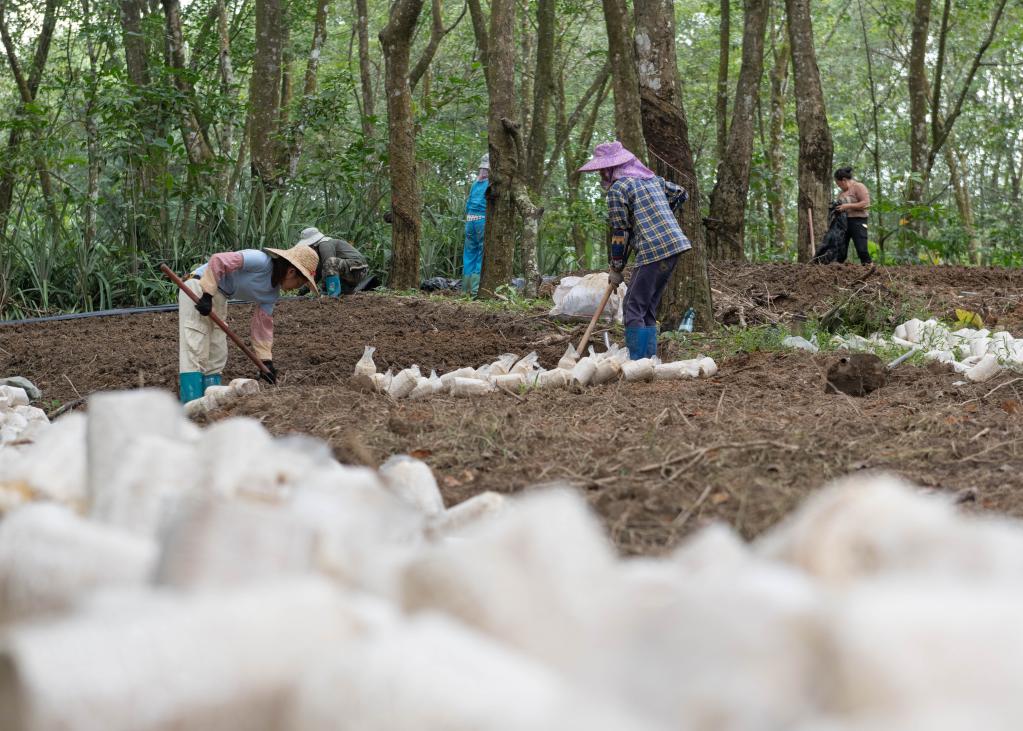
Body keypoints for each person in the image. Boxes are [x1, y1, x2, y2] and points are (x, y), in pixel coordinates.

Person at [578, 140, 690, 360]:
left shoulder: (617, 189)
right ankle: (649, 361)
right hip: (675, 245)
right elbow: (681, 193)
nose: (601, 174)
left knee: (632, 305)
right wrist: (659, 215)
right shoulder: (653, 181)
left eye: (603, 169)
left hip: (653, 249)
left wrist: (616, 267)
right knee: (646, 306)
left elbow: (620, 233)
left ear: (611, 169)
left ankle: (638, 361)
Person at [177, 245, 319, 403]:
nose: (297, 287)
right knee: (195, 344)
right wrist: (207, 294)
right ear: (291, 272)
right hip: (198, 287)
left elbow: (262, 326)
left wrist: (265, 361)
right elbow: (218, 260)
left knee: (217, 353)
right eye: (299, 283)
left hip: (220, 296)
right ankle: (190, 402)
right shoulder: (260, 260)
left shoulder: (271, 294)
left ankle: (209, 402)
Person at [295, 227, 369, 297]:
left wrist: (324, 289)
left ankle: (332, 294)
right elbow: (317, 274)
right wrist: (301, 291)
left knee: (330, 262)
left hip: (357, 267)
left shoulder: (324, 244)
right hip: (352, 270)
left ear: (312, 244)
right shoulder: (320, 249)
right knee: (328, 266)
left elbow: (329, 266)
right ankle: (341, 292)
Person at [462, 153, 489, 296]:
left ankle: (464, 290)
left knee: (469, 254)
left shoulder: (474, 184)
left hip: (469, 220)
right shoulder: (490, 184)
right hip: (481, 221)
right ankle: (474, 291)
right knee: (480, 253)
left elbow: (467, 205)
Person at [834, 166, 872, 264]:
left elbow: (866, 203)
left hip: (858, 221)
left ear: (844, 180)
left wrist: (847, 206)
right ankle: (837, 273)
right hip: (845, 223)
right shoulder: (842, 194)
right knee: (840, 251)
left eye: (839, 184)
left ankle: (869, 269)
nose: (839, 187)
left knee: (861, 249)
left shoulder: (858, 186)